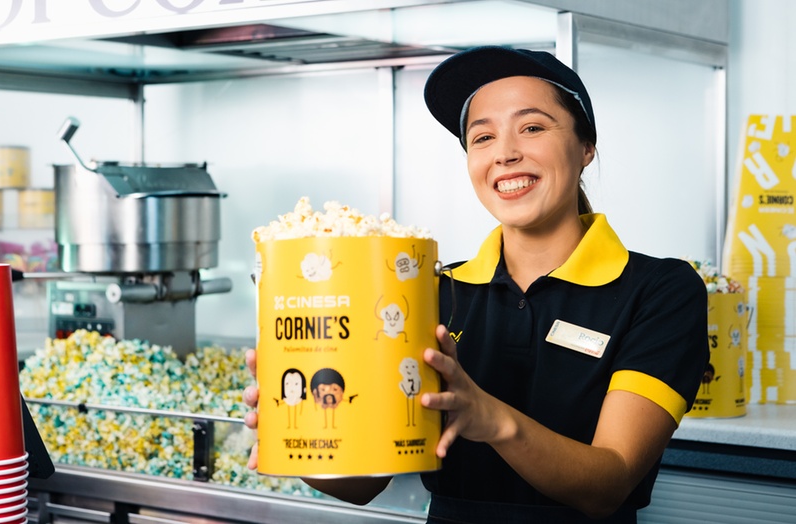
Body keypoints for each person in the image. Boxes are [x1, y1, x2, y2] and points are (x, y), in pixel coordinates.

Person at [243, 46, 709, 523]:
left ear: (587, 147)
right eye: (482, 137)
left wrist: (490, 418)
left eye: (532, 127)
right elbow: (368, 483)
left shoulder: (660, 290)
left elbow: (609, 484)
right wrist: (301, 437)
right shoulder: (430, 291)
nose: (505, 154)